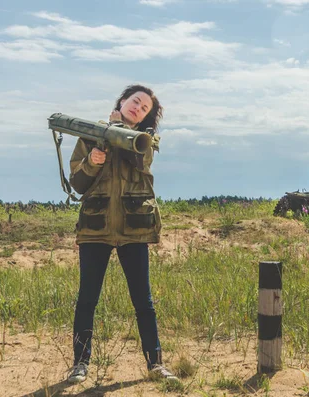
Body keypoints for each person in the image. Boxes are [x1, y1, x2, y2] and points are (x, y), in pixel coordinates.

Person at [66, 84, 177, 384]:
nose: (137, 108)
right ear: (123, 100)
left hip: (134, 229)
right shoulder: (91, 133)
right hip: (95, 227)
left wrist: (116, 130)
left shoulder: (145, 141)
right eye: (135, 101)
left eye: (144, 109)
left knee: (144, 300)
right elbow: (77, 182)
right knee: (87, 298)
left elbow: (138, 161)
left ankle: (155, 364)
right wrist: (92, 162)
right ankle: (79, 364)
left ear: (145, 119)